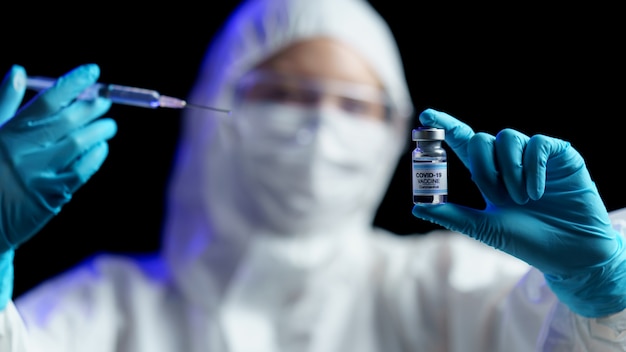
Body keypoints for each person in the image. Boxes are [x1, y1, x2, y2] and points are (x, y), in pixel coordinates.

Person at [1, 0, 626, 351]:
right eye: (286, 95)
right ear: (217, 109)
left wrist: (603, 297)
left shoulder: (441, 288)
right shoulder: (105, 311)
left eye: (354, 105)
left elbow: (553, 334)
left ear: (392, 130)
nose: (322, 129)